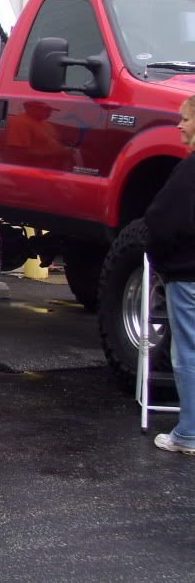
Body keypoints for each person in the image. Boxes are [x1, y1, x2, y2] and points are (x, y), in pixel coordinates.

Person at [144, 93, 195, 454]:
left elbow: (162, 220)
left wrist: (159, 259)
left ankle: (189, 433)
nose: (179, 124)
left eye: (185, 118)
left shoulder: (188, 171)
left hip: (188, 275)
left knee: (187, 353)